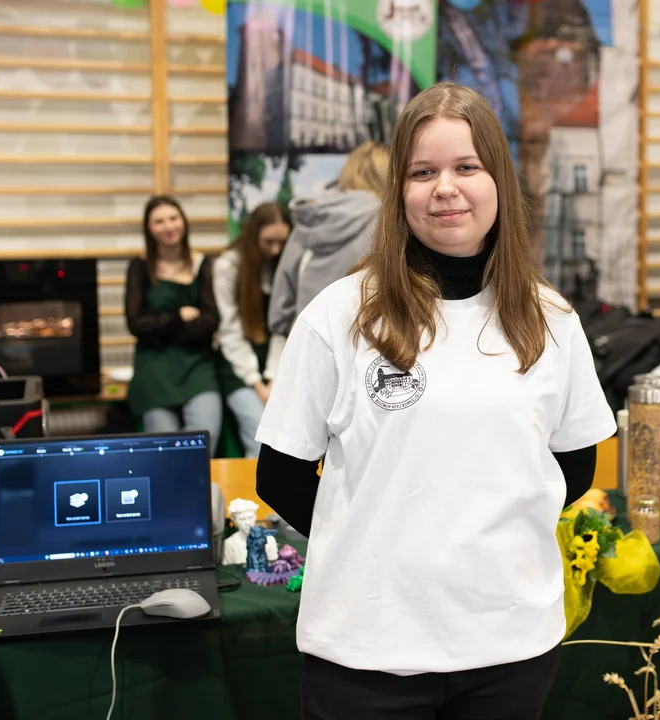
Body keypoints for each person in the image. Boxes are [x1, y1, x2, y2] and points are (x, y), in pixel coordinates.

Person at [254, 82, 616, 719]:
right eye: (423, 172)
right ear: (399, 192)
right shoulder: (340, 316)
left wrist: (487, 534)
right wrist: (374, 543)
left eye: (466, 167)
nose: (444, 187)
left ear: (499, 180)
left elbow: (576, 465)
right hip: (365, 651)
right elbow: (280, 476)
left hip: (509, 646)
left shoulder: (551, 318)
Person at [262, 141, 389, 382]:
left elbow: (281, 303)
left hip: (306, 352)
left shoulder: (312, 216)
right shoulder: (389, 220)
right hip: (368, 355)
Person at [125, 196, 222, 450]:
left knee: (205, 439)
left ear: (183, 222)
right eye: (159, 221)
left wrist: (160, 329)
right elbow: (136, 324)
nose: (168, 226)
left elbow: (211, 320)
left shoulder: (203, 264)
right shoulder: (139, 266)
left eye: (173, 218)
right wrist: (178, 317)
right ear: (149, 228)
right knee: (164, 447)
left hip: (197, 366)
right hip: (154, 369)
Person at [214, 202, 291, 457]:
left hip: (276, 362)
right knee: (258, 432)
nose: (275, 250)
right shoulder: (228, 266)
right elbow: (230, 332)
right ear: (252, 235)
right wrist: (258, 385)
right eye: (268, 242)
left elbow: (282, 328)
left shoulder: (284, 265)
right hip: (238, 365)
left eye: (281, 242)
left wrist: (273, 379)